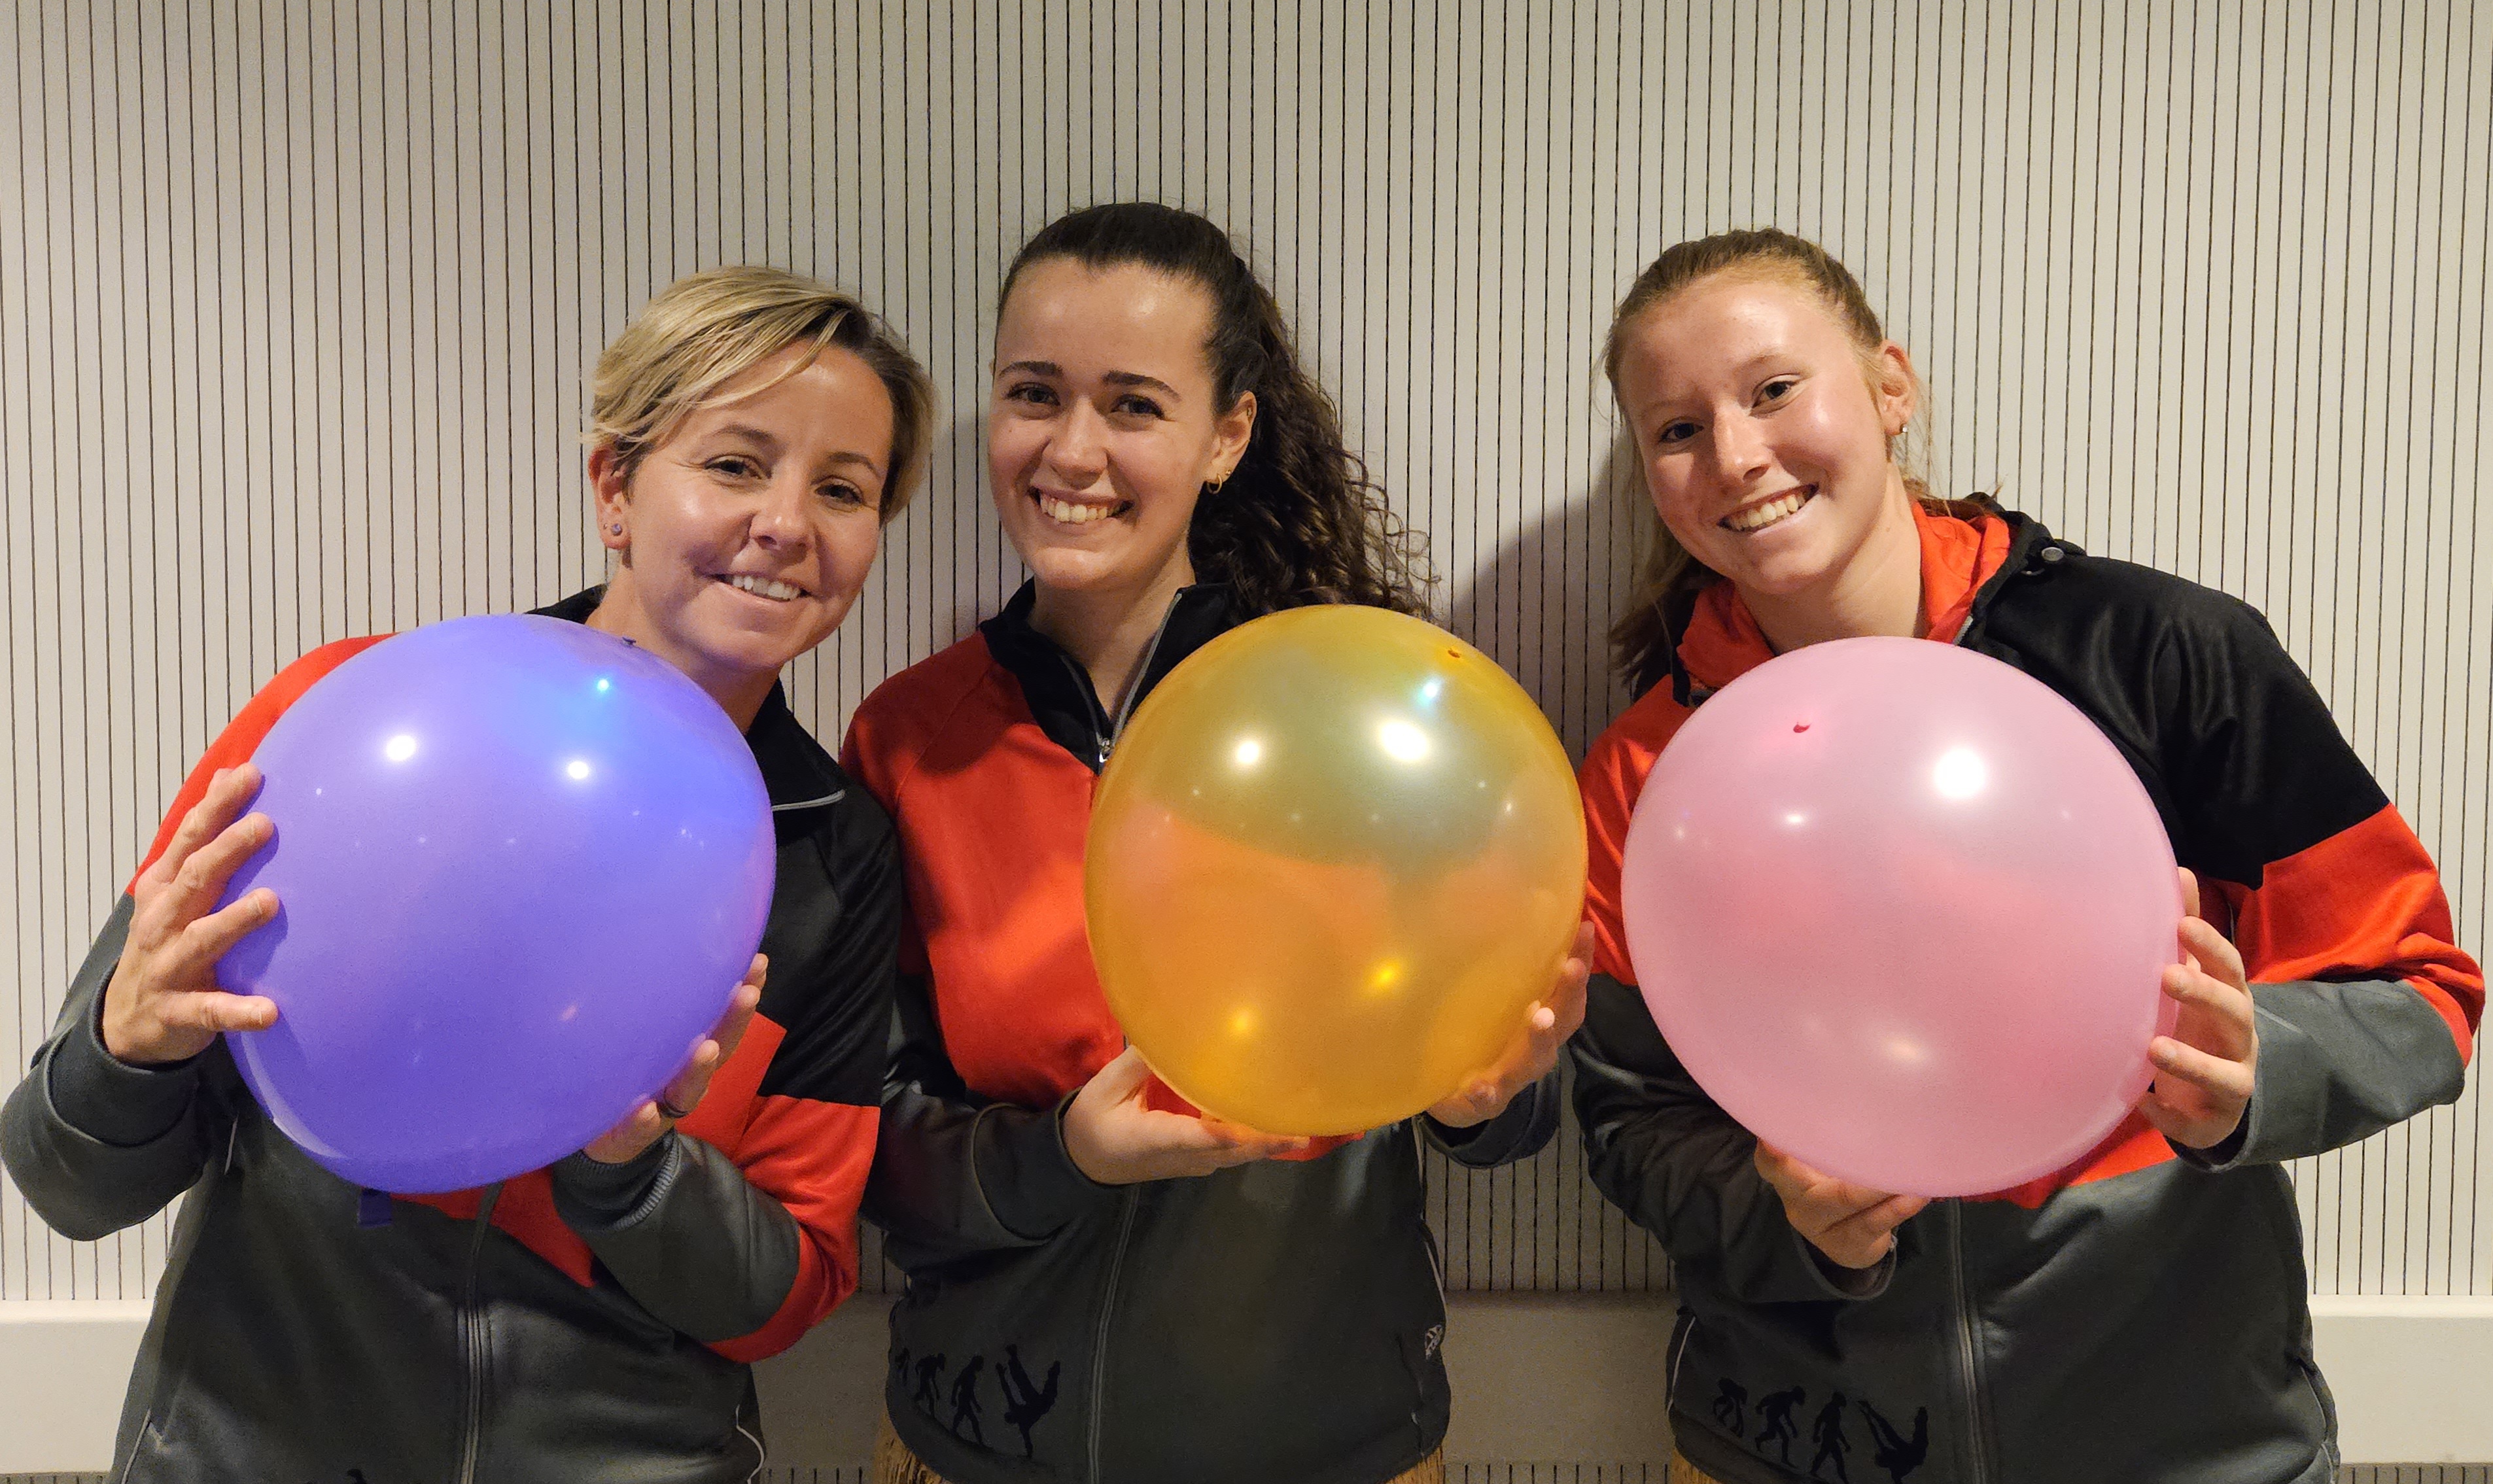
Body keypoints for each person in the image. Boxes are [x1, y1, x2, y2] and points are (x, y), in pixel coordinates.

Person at [1570, 228, 2483, 1484]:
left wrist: (2256, 1066)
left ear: (1891, 388)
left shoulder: (2158, 654)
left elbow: (2422, 995)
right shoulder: (1647, 771)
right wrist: (1786, 1218)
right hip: (1796, 1446)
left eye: (1774, 389)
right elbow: (1634, 1116)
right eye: (1677, 429)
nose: (1735, 455)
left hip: (2189, 1450)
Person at [1, 266, 932, 1483]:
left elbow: (786, 1296)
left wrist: (631, 1171)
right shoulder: (350, 717)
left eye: (843, 489)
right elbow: (64, 1180)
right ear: (615, 487)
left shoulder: (835, 854)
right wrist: (125, 1053)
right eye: (736, 464)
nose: (788, 523)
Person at [845, 201, 1595, 1484]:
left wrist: (1487, 1100)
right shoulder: (911, 738)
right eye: (1034, 394)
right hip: (982, 1443)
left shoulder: (1373, 712)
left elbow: (1505, 1096)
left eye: (1133, 405)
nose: (1071, 449)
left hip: (1325, 1447)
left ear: (1227, 436)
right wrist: (1062, 1159)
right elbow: (865, 1138)